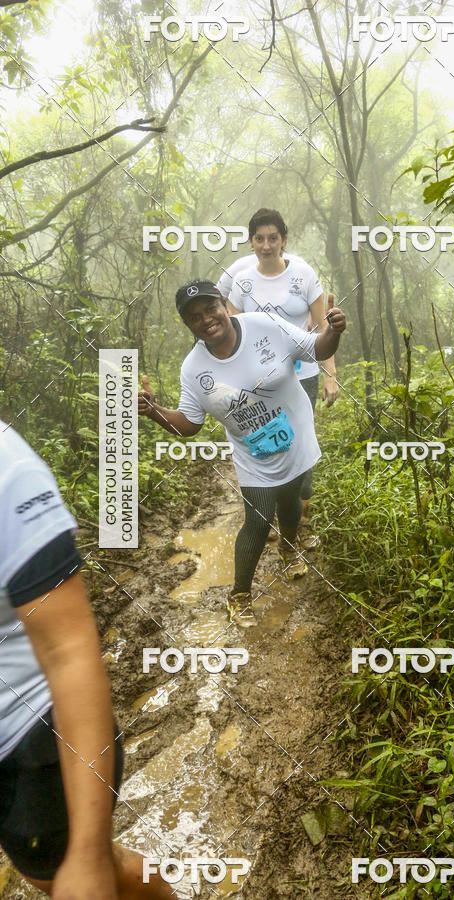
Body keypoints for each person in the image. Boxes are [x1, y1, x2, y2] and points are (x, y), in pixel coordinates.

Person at [0, 421, 171, 899]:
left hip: (32, 733)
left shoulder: (8, 469)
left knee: (65, 874)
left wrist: (89, 855)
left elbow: (69, 652)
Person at [138, 279, 346, 628]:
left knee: (291, 500)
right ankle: (239, 595)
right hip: (255, 456)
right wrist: (154, 411)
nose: (206, 320)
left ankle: (288, 547)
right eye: (194, 317)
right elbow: (189, 424)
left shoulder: (265, 325)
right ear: (188, 325)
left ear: (223, 304)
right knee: (258, 519)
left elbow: (317, 348)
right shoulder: (193, 368)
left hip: (295, 439)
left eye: (210, 309)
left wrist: (334, 330)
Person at [227, 208, 339, 549]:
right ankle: (275, 515)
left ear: (284, 240)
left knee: (300, 446)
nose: (266, 245)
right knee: (269, 446)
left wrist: (331, 374)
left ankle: (299, 518)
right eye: (259, 238)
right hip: (258, 384)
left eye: (273, 238)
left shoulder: (303, 275)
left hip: (302, 376)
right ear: (251, 242)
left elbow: (324, 329)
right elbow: (232, 336)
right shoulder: (242, 282)